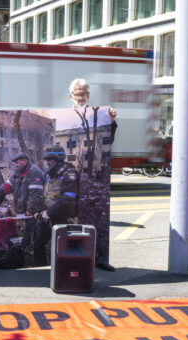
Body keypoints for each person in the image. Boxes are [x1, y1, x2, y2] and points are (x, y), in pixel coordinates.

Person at [68, 77, 117, 271]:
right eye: (78, 94)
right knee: (74, 218)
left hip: (95, 175)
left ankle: (100, 258)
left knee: (98, 219)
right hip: (74, 178)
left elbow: (108, 140)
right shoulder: (66, 118)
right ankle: (73, 256)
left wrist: (111, 122)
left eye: (85, 93)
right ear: (71, 96)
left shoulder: (99, 116)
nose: (81, 97)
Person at [0, 152, 45, 255]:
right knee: (28, 228)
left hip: (34, 207)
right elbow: (8, 185)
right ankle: (26, 247)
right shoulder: (17, 172)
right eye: (15, 163)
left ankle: (28, 248)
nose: (16, 165)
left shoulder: (34, 172)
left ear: (24, 160)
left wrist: (30, 210)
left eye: (17, 162)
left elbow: (36, 194)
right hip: (23, 206)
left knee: (32, 227)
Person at [32, 145, 80, 266]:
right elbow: (45, 196)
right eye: (46, 159)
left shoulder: (69, 173)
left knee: (61, 248)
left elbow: (68, 198)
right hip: (47, 217)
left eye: (50, 159)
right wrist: (39, 211)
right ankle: (40, 269)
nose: (47, 162)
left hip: (63, 218)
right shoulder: (49, 175)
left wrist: (48, 213)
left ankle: (62, 274)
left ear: (58, 159)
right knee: (38, 243)